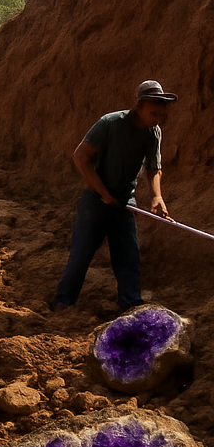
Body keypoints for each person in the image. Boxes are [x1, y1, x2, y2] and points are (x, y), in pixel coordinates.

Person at [51, 79, 177, 313]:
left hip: (124, 201)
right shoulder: (110, 123)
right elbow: (81, 157)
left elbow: (153, 167)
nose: (157, 117)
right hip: (95, 199)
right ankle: (63, 303)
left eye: (161, 113)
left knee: (128, 256)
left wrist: (157, 197)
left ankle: (131, 305)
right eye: (153, 112)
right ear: (139, 106)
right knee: (82, 252)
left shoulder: (153, 131)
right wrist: (103, 194)